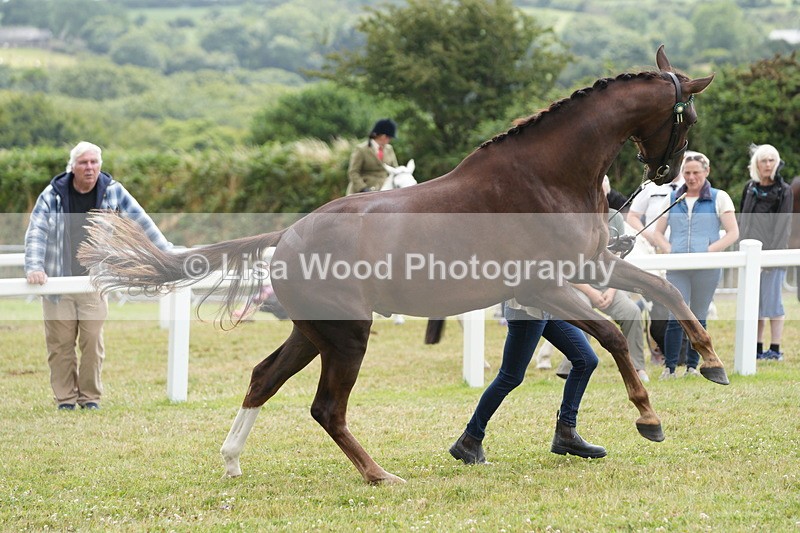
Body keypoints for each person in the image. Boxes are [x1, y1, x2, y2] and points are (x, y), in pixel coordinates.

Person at [25, 141, 171, 410]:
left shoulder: (113, 191)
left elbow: (141, 221)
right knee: (60, 345)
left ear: (100, 165)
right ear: (73, 167)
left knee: (92, 342)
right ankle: (65, 400)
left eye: (94, 162)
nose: (89, 167)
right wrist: (34, 266)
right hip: (58, 282)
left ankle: (90, 398)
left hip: (94, 281)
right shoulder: (53, 194)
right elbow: (37, 230)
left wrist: (167, 253)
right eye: (83, 162)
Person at [449, 300, 606, 464]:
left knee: (586, 359)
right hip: (527, 310)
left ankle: (566, 432)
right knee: (510, 377)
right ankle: (470, 439)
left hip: (548, 305)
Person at [650, 152, 739, 379]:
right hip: (677, 267)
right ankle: (669, 368)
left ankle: (692, 366)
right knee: (675, 316)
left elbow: (732, 233)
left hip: (706, 268)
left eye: (696, 172)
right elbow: (657, 233)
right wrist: (669, 249)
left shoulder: (720, 198)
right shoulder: (671, 199)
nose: (691, 177)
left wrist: (708, 251)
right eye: (687, 173)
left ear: (706, 172)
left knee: (699, 316)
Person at [626, 162, 686, 365]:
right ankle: (659, 349)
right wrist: (649, 237)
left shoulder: (692, 185)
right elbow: (633, 216)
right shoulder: (651, 186)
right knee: (656, 305)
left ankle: (685, 353)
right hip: (653, 251)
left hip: (681, 254)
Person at [738, 144, 793, 361]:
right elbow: (744, 221)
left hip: (772, 256)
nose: (768, 165)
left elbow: (783, 225)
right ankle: (757, 348)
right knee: (755, 304)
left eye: (772, 160)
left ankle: (775, 349)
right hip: (750, 254)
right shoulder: (750, 188)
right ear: (756, 164)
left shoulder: (784, 190)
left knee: (773, 303)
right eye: (764, 160)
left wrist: (769, 259)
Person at [346, 118, 399, 195]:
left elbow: (395, 169)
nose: (389, 140)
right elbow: (353, 172)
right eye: (389, 137)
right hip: (364, 190)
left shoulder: (389, 149)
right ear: (383, 136)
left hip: (386, 189)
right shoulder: (361, 150)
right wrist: (363, 188)